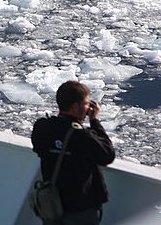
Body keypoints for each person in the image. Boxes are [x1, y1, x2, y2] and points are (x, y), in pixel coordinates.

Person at [31, 80, 115, 225]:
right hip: (79, 211)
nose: (89, 107)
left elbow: (40, 147)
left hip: (53, 208)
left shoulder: (42, 128)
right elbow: (107, 155)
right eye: (86, 103)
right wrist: (94, 121)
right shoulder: (82, 136)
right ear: (76, 106)